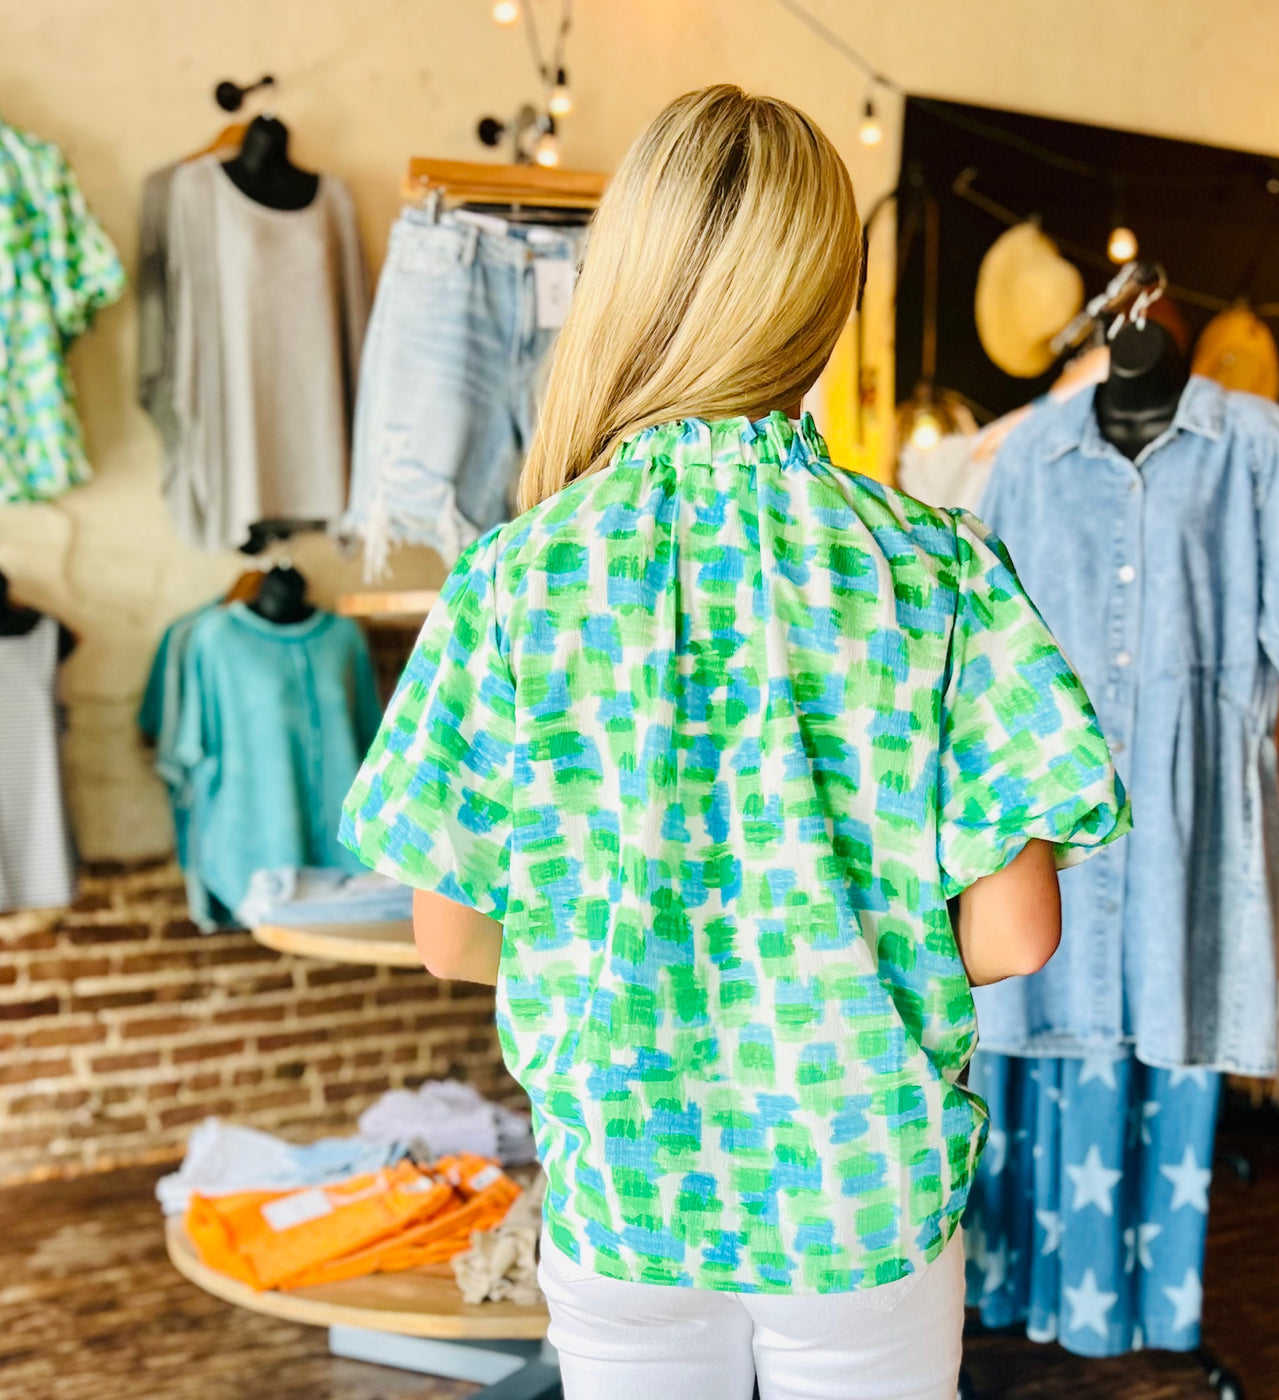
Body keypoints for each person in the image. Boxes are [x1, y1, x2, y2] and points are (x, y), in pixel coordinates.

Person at [341, 84, 1128, 1400]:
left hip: (624, 1192)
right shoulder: (937, 572)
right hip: (865, 1201)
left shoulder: (515, 582)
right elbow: (1015, 935)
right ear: (825, 297)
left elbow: (451, 936)